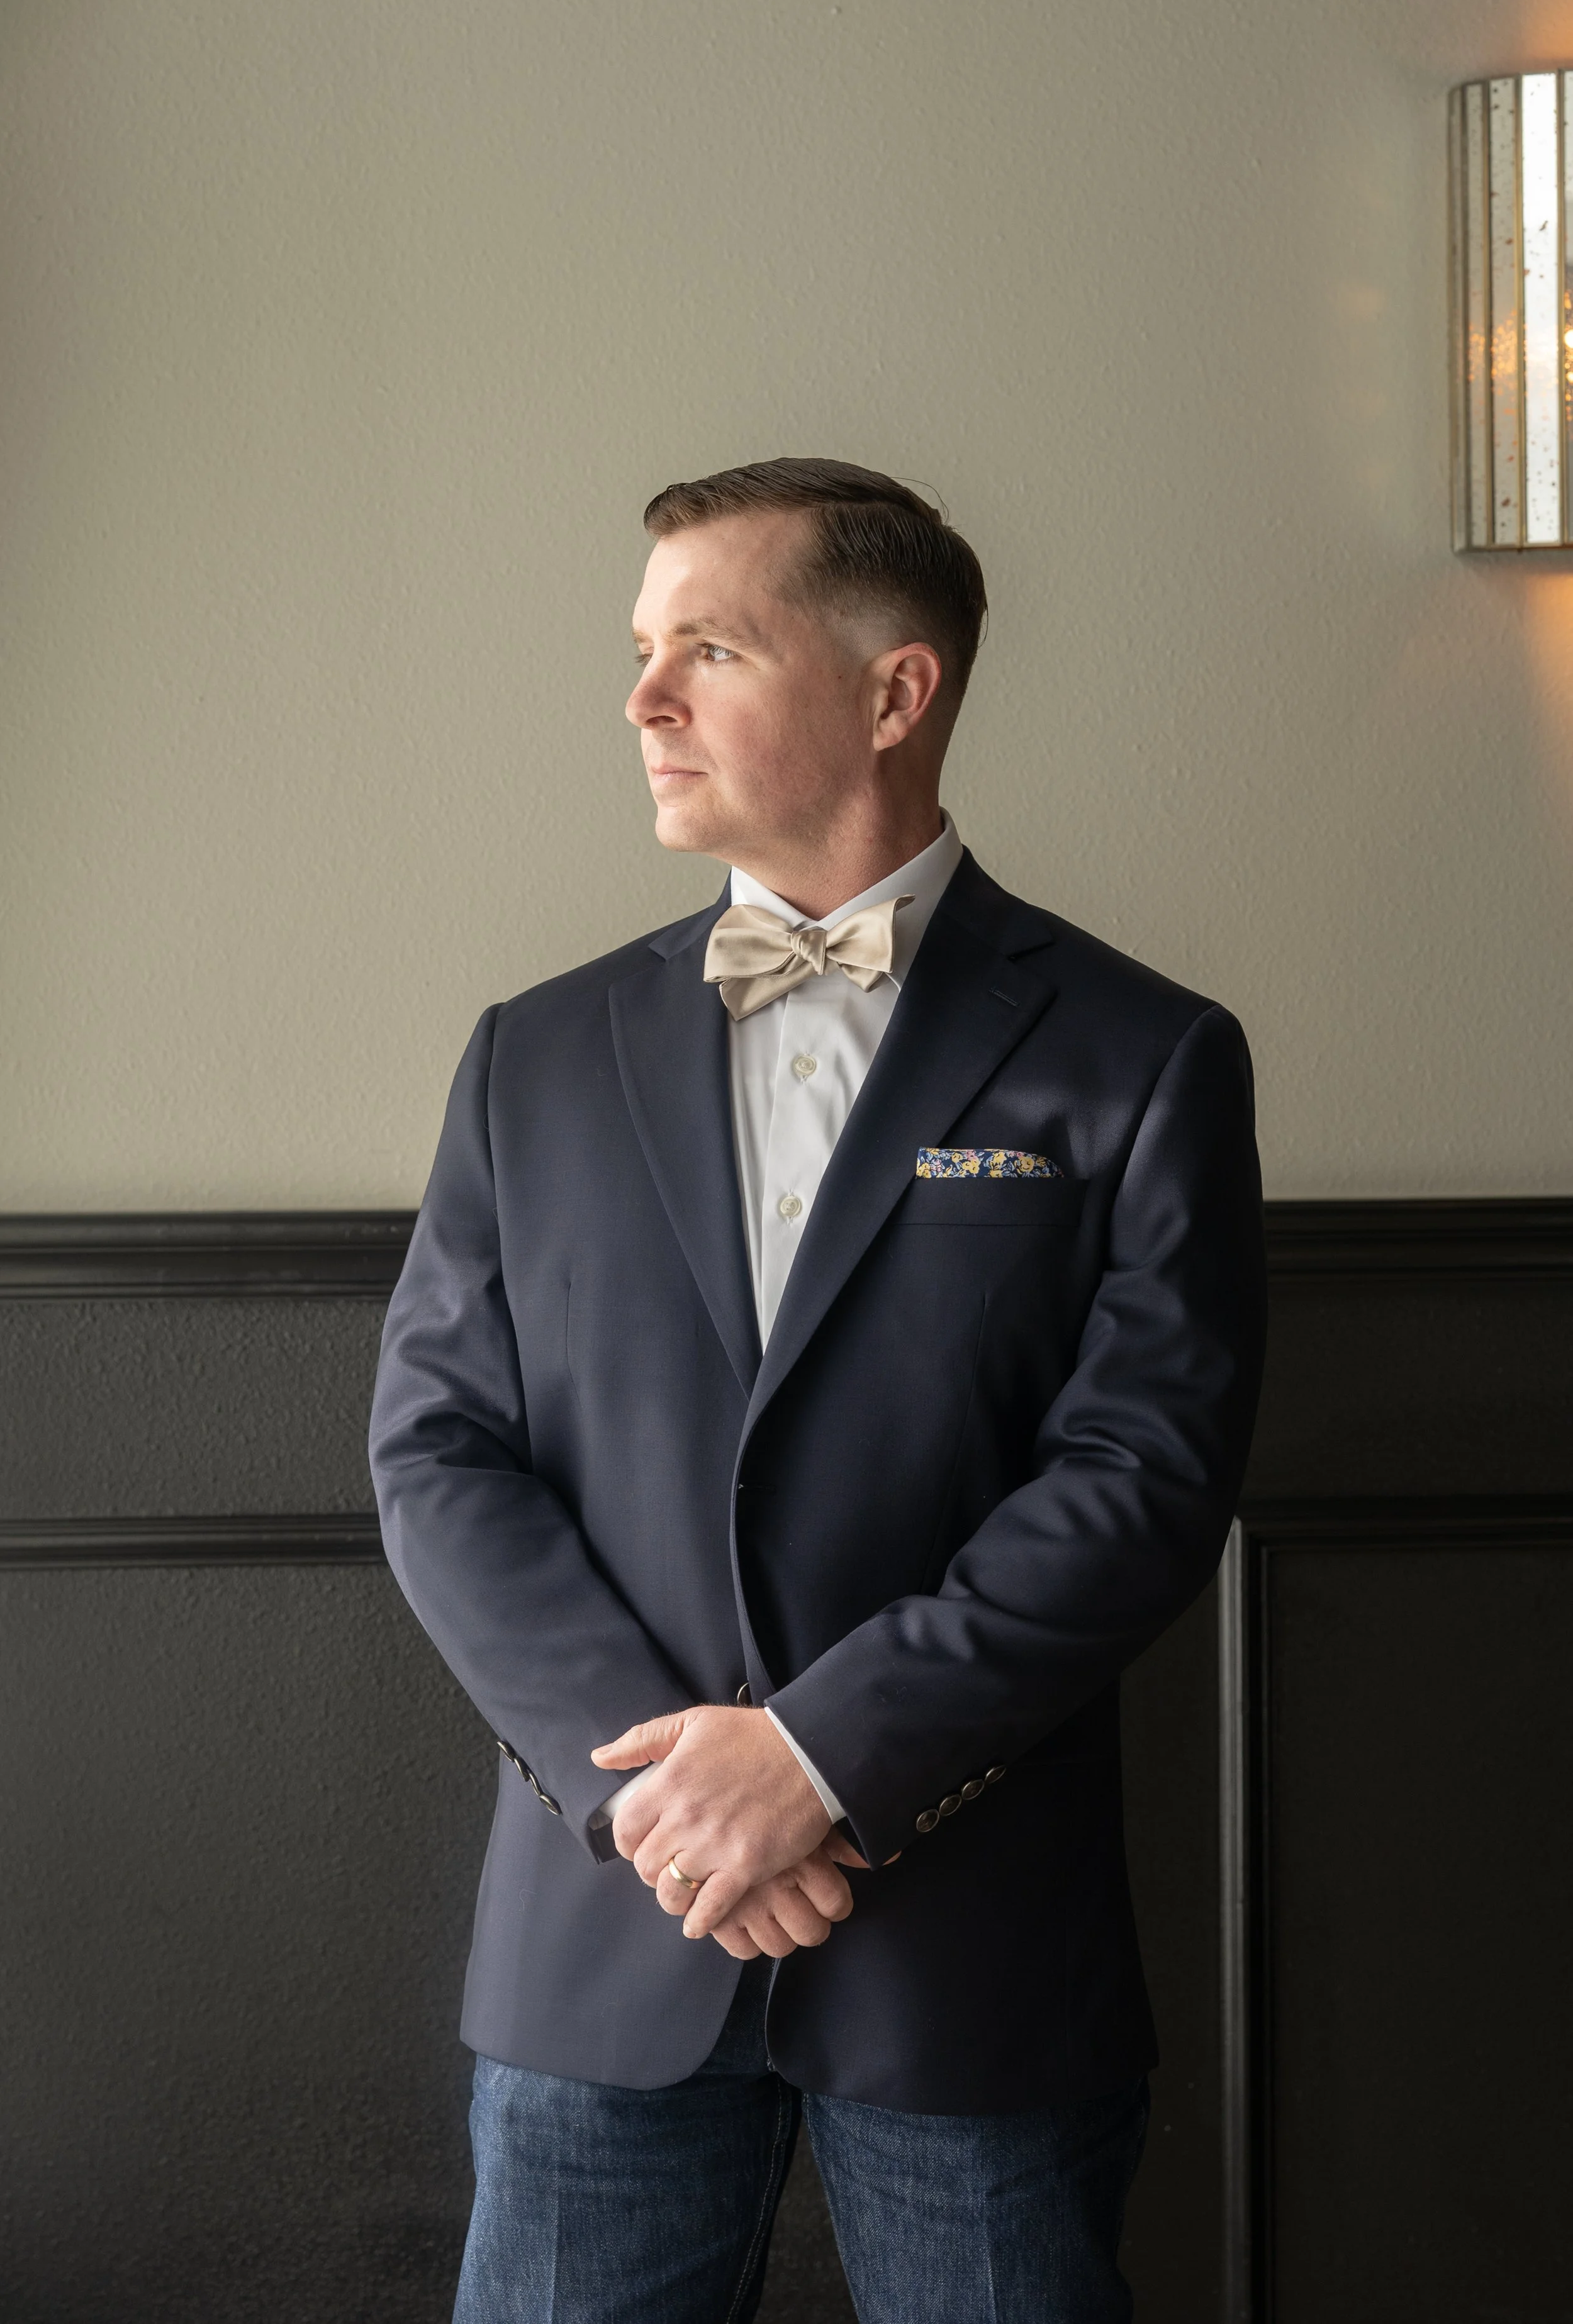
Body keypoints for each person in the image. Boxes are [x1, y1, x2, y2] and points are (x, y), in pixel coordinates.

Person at [369, 457, 1267, 2323]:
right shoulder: (531, 1056)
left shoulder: (1143, 1053)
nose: (644, 698)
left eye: (707, 648)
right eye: (642, 650)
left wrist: (823, 1761)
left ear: (892, 691)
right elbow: (439, 1453)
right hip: (607, 1932)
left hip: (971, 1953)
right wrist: (663, 1798)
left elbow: (1144, 1476)